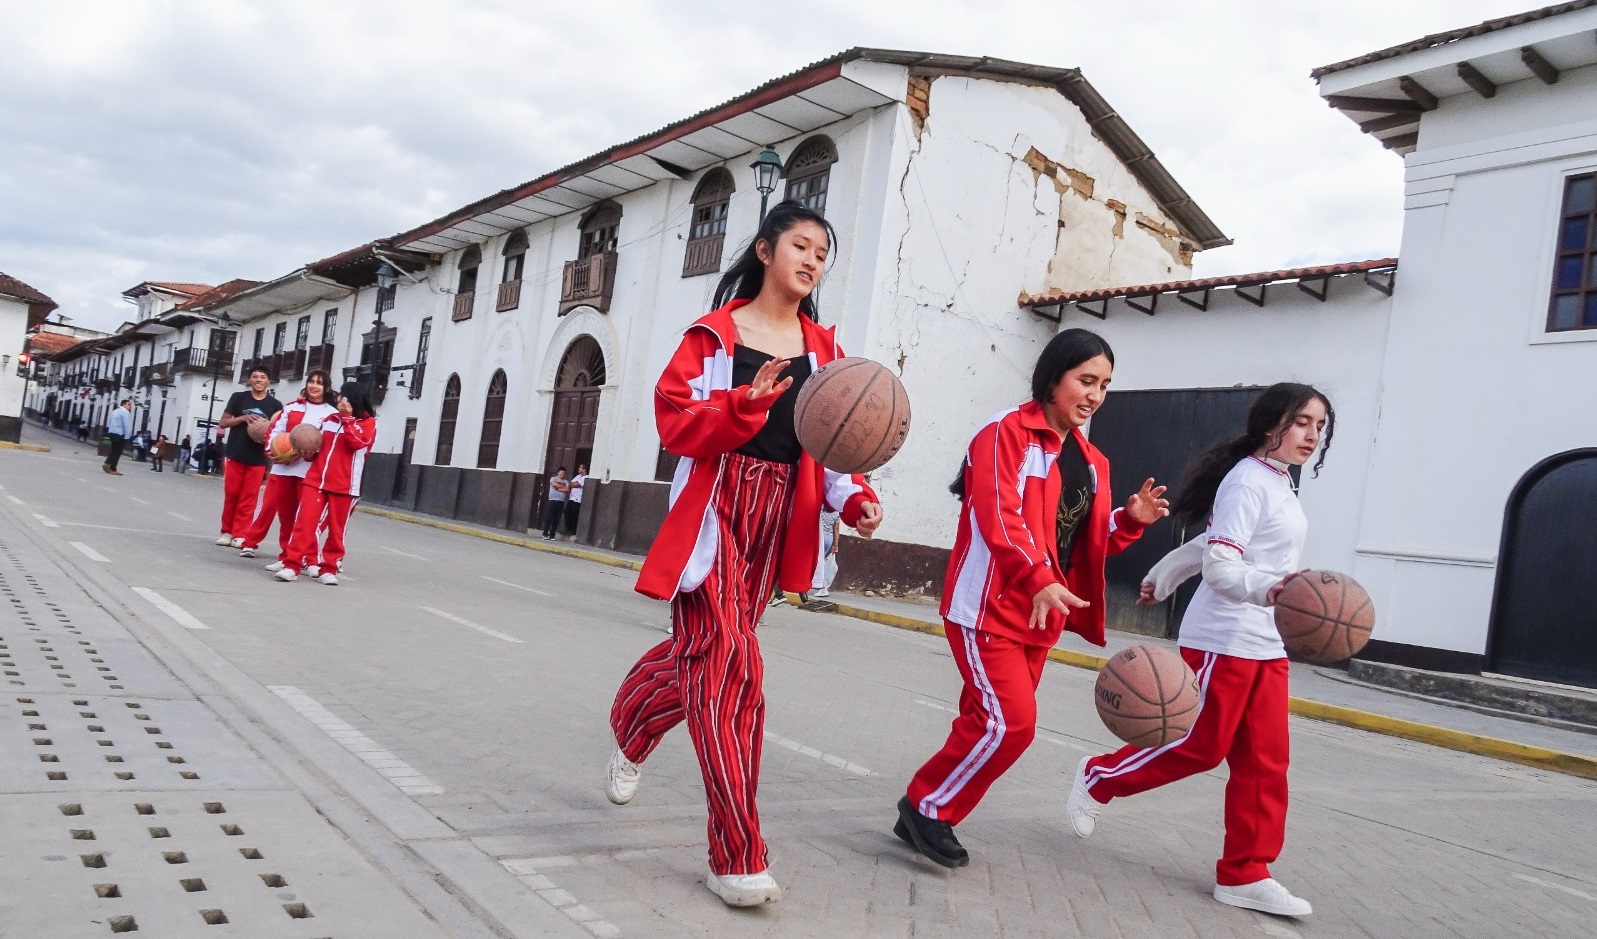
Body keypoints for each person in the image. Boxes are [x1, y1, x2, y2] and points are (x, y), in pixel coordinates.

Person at [604, 201, 883, 908]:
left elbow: (835, 443)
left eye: (823, 251)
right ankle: (736, 852)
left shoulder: (824, 349)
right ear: (764, 250)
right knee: (736, 670)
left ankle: (635, 720)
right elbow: (674, 420)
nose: (812, 259)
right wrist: (741, 404)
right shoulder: (713, 334)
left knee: (711, 655)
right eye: (800, 244)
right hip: (715, 509)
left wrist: (854, 500)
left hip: (778, 515)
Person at [895, 329, 1169, 870]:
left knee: (985, 720)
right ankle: (927, 806)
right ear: (1053, 378)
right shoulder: (1005, 435)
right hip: (989, 607)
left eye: (1105, 385)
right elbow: (1002, 517)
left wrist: (1128, 522)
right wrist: (1037, 574)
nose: (1094, 395)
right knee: (1010, 725)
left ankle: (926, 809)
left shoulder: (1091, 461)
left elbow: (1081, 540)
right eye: (1085, 380)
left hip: (1042, 615)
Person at [1065, 383, 1334, 919]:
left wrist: (1164, 573)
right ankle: (1098, 776)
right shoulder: (1248, 481)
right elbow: (1222, 565)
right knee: (1200, 747)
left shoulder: (1277, 482)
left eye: (1320, 426)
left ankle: (1245, 874)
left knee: (1266, 762)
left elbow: (1213, 542)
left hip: (1266, 642)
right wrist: (1270, 590)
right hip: (1224, 639)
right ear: (1269, 425)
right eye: (1302, 421)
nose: (1312, 434)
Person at [276, 383, 376, 585]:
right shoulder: (330, 419)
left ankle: (329, 567)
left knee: (337, 531)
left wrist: (347, 418)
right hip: (316, 480)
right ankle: (291, 565)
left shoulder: (368, 423)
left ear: (352, 399)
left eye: (342, 396)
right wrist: (308, 453)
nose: (338, 399)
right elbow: (319, 448)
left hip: (345, 486)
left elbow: (358, 442)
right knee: (304, 524)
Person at [242, 371, 337, 567]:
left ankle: (310, 559)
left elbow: (328, 443)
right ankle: (286, 556)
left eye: (319, 383)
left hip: (309, 472)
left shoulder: (331, 413)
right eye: (311, 381)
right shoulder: (292, 407)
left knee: (307, 519)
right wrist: (273, 452)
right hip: (283, 470)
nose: (314, 386)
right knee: (286, 517)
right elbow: (274, 431)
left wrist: (309, 453)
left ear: (326, 388)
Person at [215, 367, 283, 548]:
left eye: (262, 377)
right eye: (255, 377)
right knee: (232, 495)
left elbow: (279, 430)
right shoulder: (238, 398)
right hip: (235, 453)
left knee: (249, 497)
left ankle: (241, 533)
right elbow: (223, 422)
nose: (258, 380)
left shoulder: (276, 406)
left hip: (258, 457)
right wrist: (242, 419)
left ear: (269, 381)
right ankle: (226, 531)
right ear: (249, 380)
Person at [812, 507, 840, 598]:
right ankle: (820, 585)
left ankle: (823, 588)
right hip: (829, 538)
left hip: (821, 536)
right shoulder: (837, 513)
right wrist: (835, 544)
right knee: (823, 562)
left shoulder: (821, 509)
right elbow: (836, 530)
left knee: (818, 563)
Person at [103, 400, 134, 475]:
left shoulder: (115, 411)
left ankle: (107, 463)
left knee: (114, 450)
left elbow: (110, 421)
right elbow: (126, 425)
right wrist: (127, 436)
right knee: (118, 452)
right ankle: (112, 468)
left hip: (112, 432)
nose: (130, 406)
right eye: (129, 404)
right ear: (123, 404)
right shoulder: (125, 412)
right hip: (120, 434)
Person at [541, 468, 569, 540]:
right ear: (558, 473)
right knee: (549, 517)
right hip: (552, 501)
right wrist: (563, 487)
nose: (562, 474)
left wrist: (557, 488)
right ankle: (545, 534)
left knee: (556, 519)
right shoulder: (553, 478)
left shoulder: (566, 481)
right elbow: (553, 484)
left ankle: (552, 535)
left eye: (563, 473)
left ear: (565, 474)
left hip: (561, 502)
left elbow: (567, 489)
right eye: (561, 472)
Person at [563, 464, 587, 540]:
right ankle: (568, 528)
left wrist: (571, 484)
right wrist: (571, 484)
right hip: (571, 498)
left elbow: (576, 484)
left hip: (578, 499)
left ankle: (573, 530)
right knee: (567, 513)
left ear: (584, 469)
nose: (578, 468)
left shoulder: (586, 477)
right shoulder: (578, 476)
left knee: (574, 515)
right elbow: (571, 483)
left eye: (580, 467)